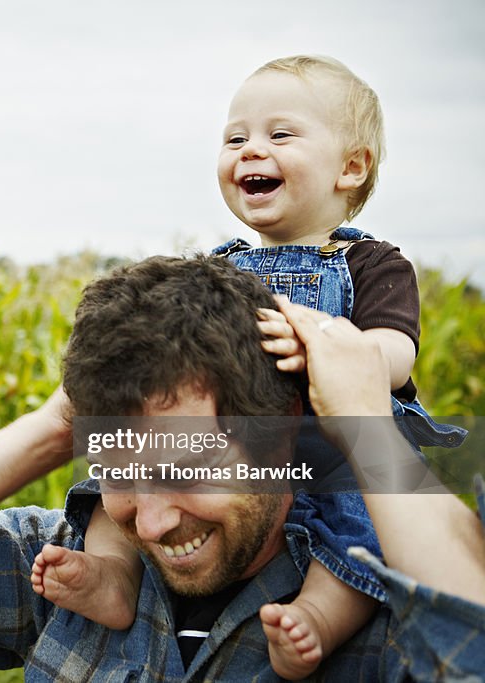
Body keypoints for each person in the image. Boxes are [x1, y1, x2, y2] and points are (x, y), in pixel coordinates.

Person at [0, 255, 485, 681]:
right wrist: (50, 431)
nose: (155, 520)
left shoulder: (372, 607)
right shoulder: (65, 577)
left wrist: (366, 426)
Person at [45, 55, 465, 679]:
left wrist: (334, 352)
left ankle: (318, 618)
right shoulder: (219, 266)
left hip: (336, 448)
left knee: (360, 527)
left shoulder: (370, 265)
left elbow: (398, 353)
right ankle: (112, 576)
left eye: (280, 135)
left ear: (351, 168)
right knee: (115, 486)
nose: (250, 151)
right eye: (235, 137)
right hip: (234, 448)